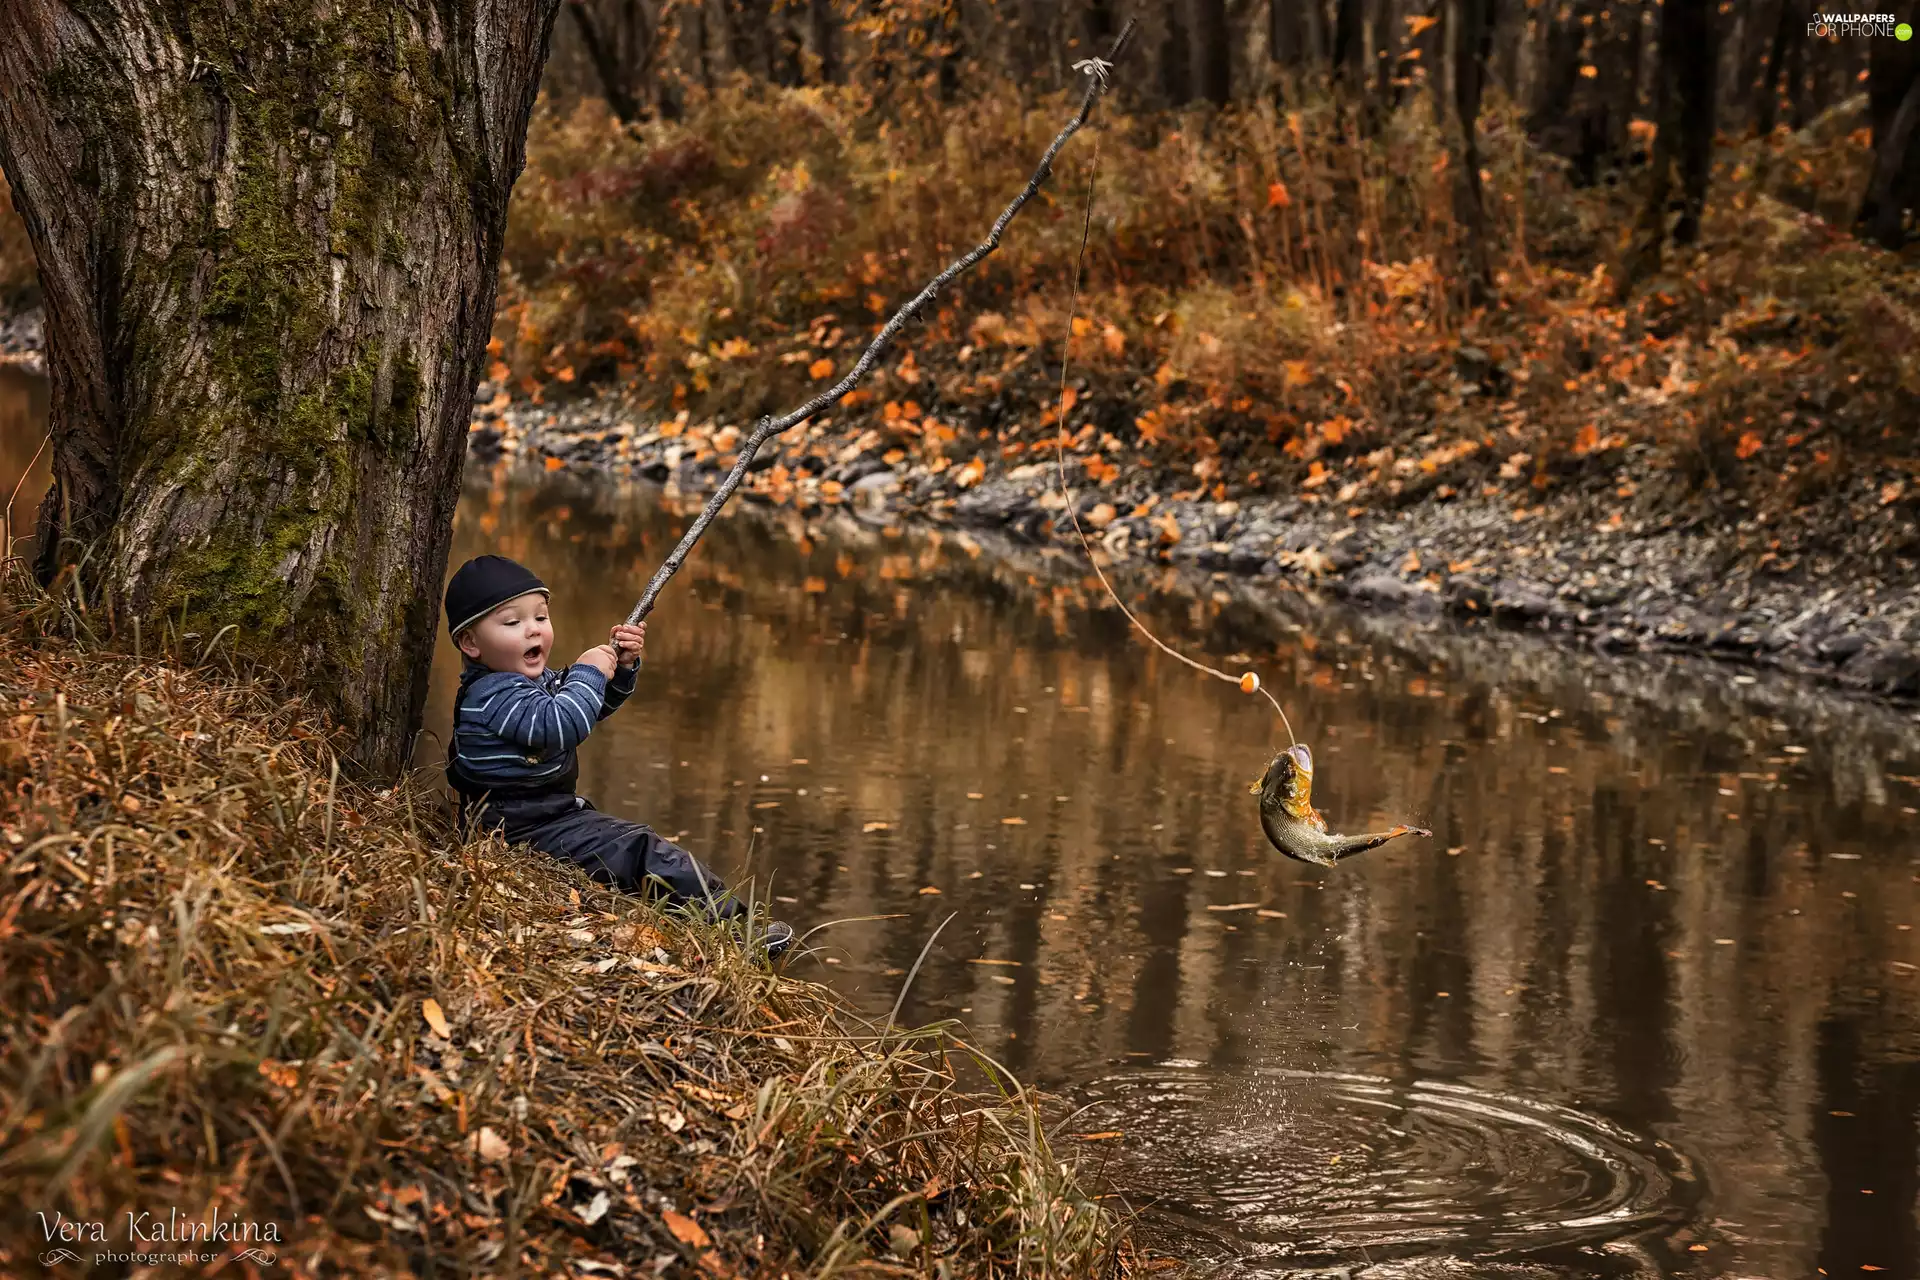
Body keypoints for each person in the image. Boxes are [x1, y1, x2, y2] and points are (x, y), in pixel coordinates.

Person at [443, 554, 791, 959]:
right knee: (640, 850)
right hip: (519, 828)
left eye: (540, 617)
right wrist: (588, 672)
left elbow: (587, 708)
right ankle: (736, 932)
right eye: (512, 622)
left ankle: (706, 930)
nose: (533, 629)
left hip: (541, 817)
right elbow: (563, 724)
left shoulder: (522, 684)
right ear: (471, 643)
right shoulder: (493, 695)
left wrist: (619, 669)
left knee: (631, 854)